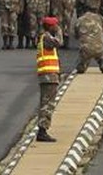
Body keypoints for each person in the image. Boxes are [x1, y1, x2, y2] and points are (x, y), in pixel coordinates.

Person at [36, 15, 62, 143]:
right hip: (48, 76)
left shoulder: (45, 37)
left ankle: (43, 129)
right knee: (48, 104)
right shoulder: (47, 38)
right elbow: (59, 43)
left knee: (46, 103)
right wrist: (59, 32)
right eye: (55, 26)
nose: (57, 27)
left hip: (48, 76)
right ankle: (42, 130)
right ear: (50, 27)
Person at [74, 4, 103, 73]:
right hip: (100, 47)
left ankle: (82, 66)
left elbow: (76, 34)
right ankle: (102, 62)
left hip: (86, 48)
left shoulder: (80, 20)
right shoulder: (100, 18)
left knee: (83, 58)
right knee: (101, 53)